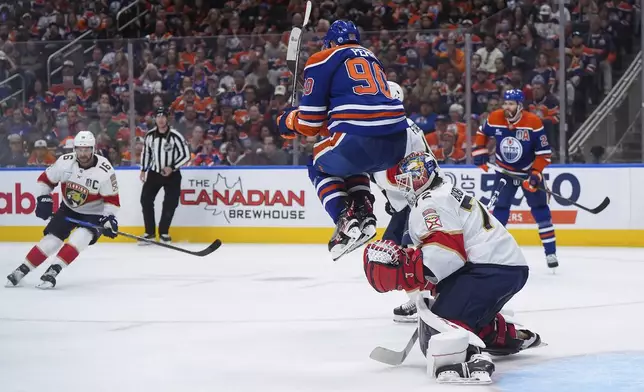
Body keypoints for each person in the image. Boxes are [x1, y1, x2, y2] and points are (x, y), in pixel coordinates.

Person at [363, 151, 542, 384]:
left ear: (427, 176)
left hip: (489, 269)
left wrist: (408, 273)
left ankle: (468, 358)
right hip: (496, 267)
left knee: (442, 325)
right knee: (447, 309)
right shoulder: (439, 194)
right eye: (405, 180)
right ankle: (510, 336)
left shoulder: (431, 202)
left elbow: (447, 253)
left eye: (412, 178)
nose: (408, 185)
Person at [276, 20, 424, 260]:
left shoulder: (322, 58)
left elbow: (310, 125)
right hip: (396, 142)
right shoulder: (371, 58)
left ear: (330, 43)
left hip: (357, 139)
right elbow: (351, 113)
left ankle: (345, 220)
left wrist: (289, 120)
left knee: (317, 164)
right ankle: (364, 213)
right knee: (352, 163)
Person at [5, 131, 120, 289]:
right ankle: (22, 270)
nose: (83, 154)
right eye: (79, 149)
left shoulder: (105, 170)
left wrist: (109, 218)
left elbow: (112, 201)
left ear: (93, 149)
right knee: (51, 240)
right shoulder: (65, 162)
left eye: (86, 150)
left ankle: (53, 271)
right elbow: (45, 181)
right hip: (69, 208)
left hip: (94, 213)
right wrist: (43, 198)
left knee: (80, 237)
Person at [472, 89, 558, 269]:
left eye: (511, 104)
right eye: (505, 103)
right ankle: (495, 253)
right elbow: (482, 132)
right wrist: (480, 151)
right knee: (500, 210)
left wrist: (535, 174)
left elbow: (544, 154)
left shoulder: (533, 122)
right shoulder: (495, 117)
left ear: (520, 106)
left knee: (541, 210)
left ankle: (550, 253)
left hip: (528, 171)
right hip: (504, 171)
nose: (506, 107)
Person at [140, 106, 191, 244]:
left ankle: (164, 233)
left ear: (167, 118)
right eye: (158, 116)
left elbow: (186, 155)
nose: (160, 119)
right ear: (155, 119)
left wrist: (172, 167)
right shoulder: (150, 135)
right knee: (145, 200)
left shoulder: (176, 136)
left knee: (170, 203)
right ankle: (149, 233)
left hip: (172, 175)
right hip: (154, 173)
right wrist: (144, 170)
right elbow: (147, 153)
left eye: (163, 116)